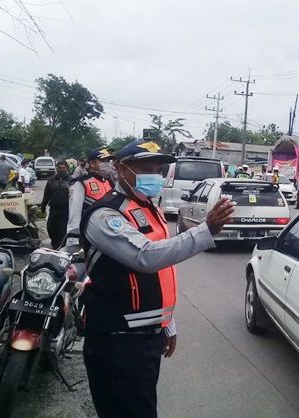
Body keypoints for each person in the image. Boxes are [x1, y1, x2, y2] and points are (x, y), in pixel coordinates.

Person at [79, 139, 234, 418]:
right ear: (120, 170)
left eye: (158, 170)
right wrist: (205, 230)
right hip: (117, 341)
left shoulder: (149, 206)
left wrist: (166, 322)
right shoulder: (106, 214)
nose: (155, 176)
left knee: (143, 407)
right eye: (145, 169)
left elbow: (162, 267)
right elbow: (147, 257)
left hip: (144, 338)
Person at [67, 148, 116, 242]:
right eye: (103, 161)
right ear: (92, 163)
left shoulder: (109, 182)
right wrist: (73, 241)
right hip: (89, 235)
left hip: (109, 234)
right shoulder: (81, 183)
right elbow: (74, 215)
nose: (107, 164)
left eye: (108, 161)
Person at [40, 161, 71, 249]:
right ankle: (54, 243)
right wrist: (42, 207)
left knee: (62, 229)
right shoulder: (51, 180)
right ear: (56, 169)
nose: (61, 170)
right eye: (59, 168)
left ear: (67, 168)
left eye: (63, 168)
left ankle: (60, 247)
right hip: (53, 209)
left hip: (66, 210)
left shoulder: (72, 181)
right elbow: (46, 195)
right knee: (51, 228)